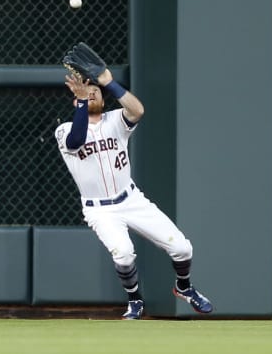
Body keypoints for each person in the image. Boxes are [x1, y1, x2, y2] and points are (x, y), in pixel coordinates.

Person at [54, 67, 213, 319]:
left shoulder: (115, 120)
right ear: (76, 100)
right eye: (86, 93)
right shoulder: (64, 130)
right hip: (100, 209)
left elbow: (137, 110)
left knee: (183, 248)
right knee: (124, 254)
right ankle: (135, 301)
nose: (91, 94)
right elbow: (76, 141)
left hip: (131, 199)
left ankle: (184, 287)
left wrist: (109, 82)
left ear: (104, 100)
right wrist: (83, 99)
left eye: (95, 92)